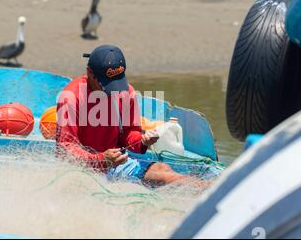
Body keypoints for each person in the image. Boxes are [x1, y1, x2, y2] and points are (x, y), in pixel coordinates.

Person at [56, 45, 206, 187]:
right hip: (81, 169)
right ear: (90, 73)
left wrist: (143, 140)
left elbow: (129, 133)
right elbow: (65, 149)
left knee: (163, 170)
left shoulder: (125, 92)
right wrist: (101, 160)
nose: (114, 91)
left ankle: (208, 188)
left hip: (116, 164)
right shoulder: (71, 97)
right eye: (107, 84)